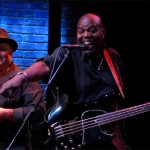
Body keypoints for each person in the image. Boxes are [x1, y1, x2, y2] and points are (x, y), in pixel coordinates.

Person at [0, 13, 130, 150]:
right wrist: (21, 77)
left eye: (92, 30)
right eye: (81, 31)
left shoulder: (113, 56)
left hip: (111, 136)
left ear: (102, 32)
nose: (86, 35)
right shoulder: (69, 54)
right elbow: (46, 65)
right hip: (78, 136)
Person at [0, 27, 46, 150]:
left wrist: (6, 114)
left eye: (2, 49)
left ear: (11, 53)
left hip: (13, 143)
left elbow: (40, 110)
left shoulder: (24, 79)